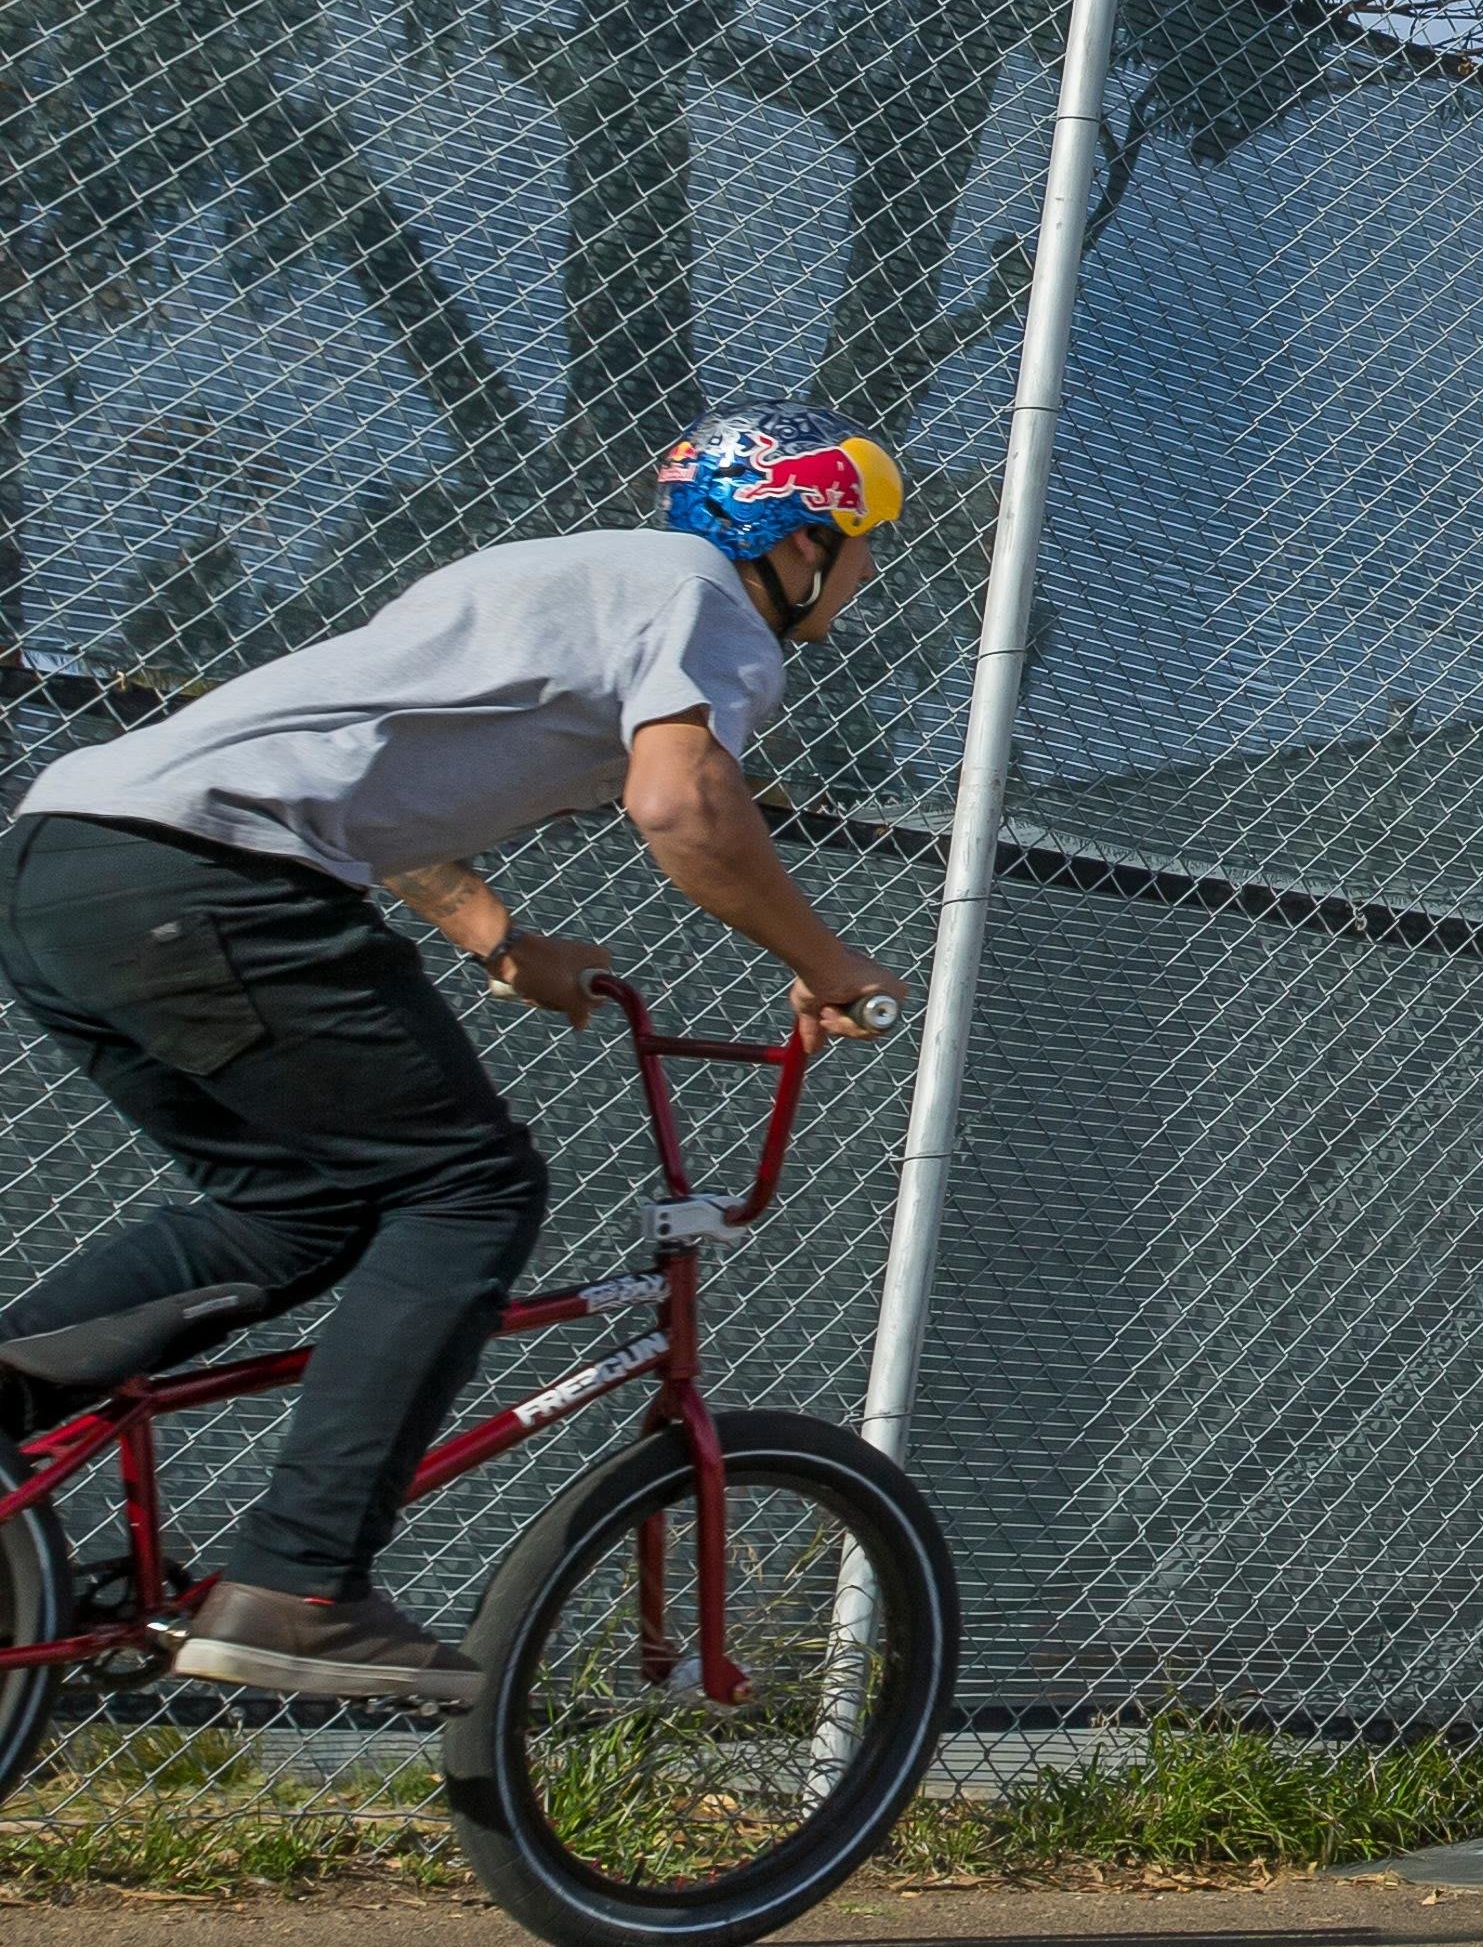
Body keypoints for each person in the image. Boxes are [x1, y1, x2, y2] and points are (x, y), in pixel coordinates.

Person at [0, 412, 916, 1707]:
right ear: (796, 538)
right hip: (213, 878)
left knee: (297, 1208)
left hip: (68, 864)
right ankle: (299, 1583)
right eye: (862, 546)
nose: (866, 576)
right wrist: (830, 964)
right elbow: (684, 805)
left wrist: (495, 934)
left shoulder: (550, 576)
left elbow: (358, 756)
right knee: (470, 1187)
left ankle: (10, 1396)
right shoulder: (704, 600)